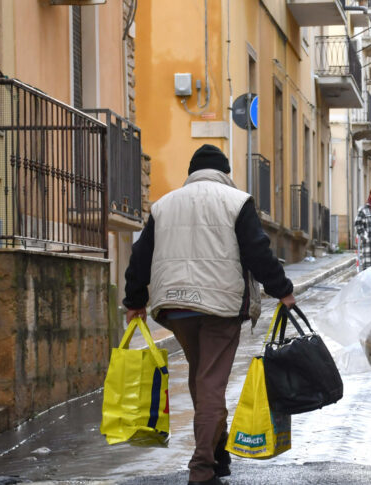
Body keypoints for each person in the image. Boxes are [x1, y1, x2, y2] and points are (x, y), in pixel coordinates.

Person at [123, 144, 295, 485]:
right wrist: (282, 289)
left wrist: (134, 300)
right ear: (225, 172)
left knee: (202, 378)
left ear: (192, 172)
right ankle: (202, 468)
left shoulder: (164, 204)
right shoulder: (236, 201)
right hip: (220, 306)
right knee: (211, 383)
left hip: (174, 306)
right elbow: (257, 251)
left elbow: (141, 255)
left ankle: (218, 453)